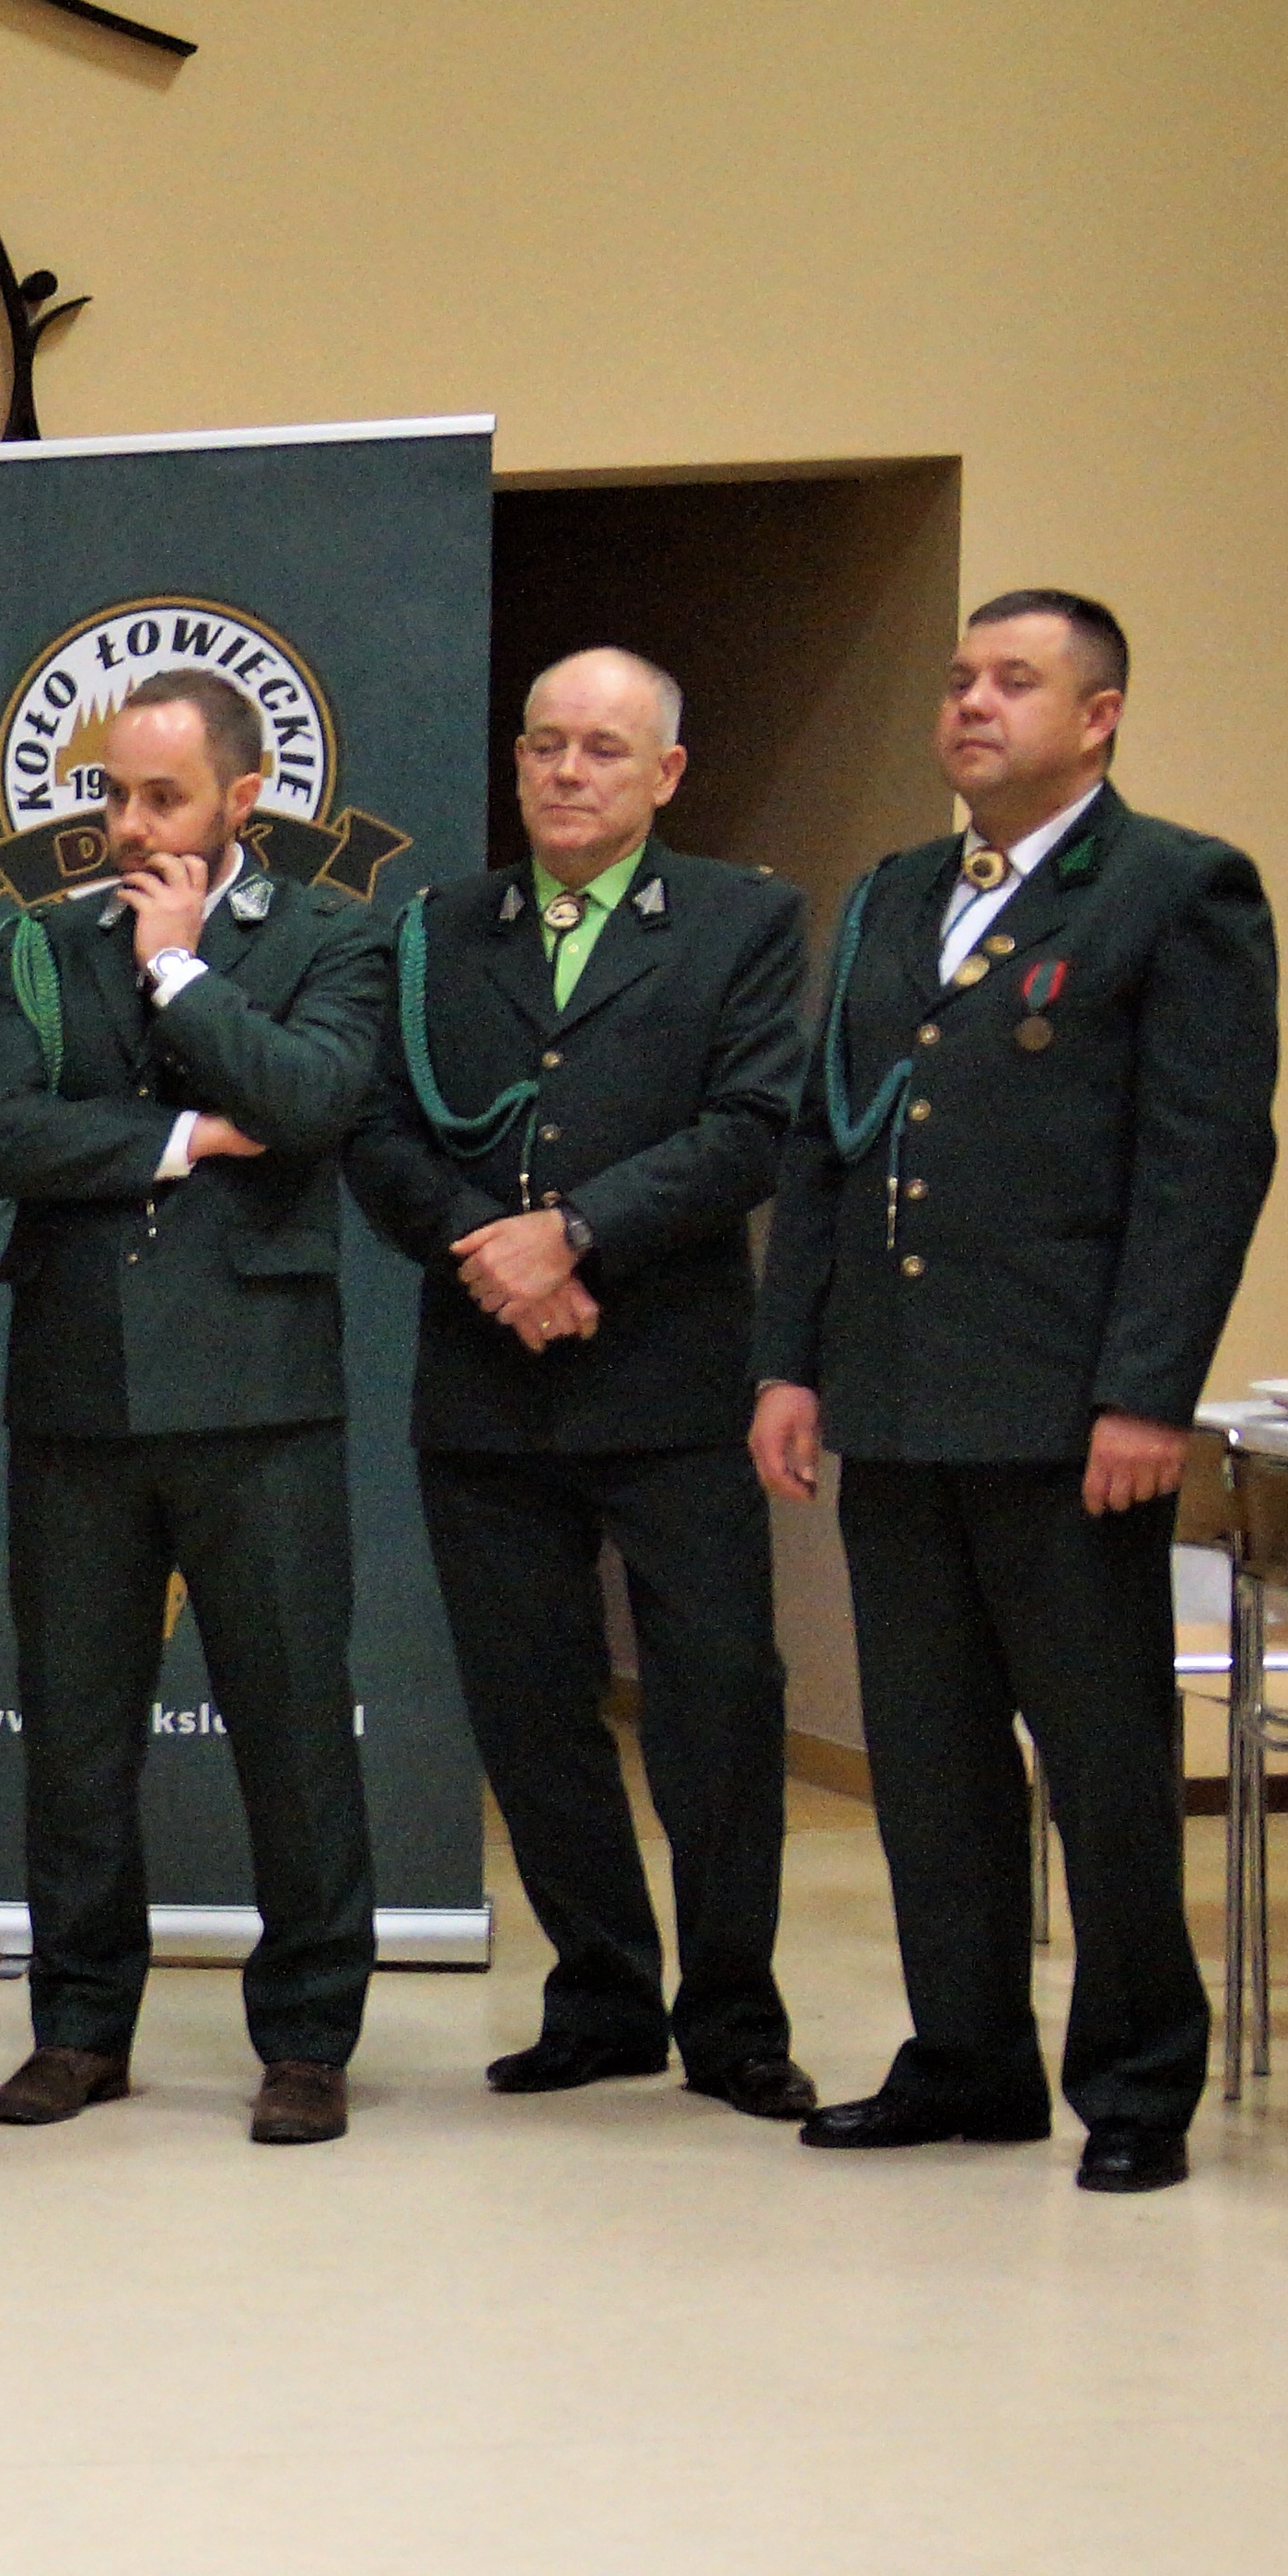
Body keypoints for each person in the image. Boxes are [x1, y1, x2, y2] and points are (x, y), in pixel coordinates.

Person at [756, 589, 1279, 2196]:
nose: (972, 703)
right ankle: (967, 2058)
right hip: (900, 1396)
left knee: (1103, 1759)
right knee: (930, 1757)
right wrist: (791, 1359)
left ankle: (1136, 2082)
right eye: (960, 678)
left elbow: (1204, 1162)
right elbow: (830, 1138)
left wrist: (1149, 1394)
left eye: (1015, 681)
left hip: (1068, 1411)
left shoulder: (1175, 887)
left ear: (1099, 715)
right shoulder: (897, 892)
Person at [351, 647, 816, 2118]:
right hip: (487, 1386)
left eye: (603, 750)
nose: (566, 772)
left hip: (671, 1381)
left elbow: (753, 1124)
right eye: (543, 744)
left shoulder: (742, 919)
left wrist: (576, 1233)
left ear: (665, 774)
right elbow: (377, 1126)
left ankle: (732, 2021)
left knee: (718, 1705)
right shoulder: (437, 927)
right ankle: (602, 1998)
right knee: (531, 1710)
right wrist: (489, 1254)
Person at [0, 667, 393, 2142]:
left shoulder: (329, 935)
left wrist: (183, 976)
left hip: (259, 1397)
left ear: (241, 799)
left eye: (164, 798)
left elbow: (314, 1101)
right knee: (77, 1735)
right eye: (113, 795)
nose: (130, 826)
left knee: (293, 1731)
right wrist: (192, 1136)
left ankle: (309, 2039)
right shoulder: (40, 947)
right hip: (77, 1390)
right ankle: (80, 2027)